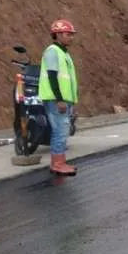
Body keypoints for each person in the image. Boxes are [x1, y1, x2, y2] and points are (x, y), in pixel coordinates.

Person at [38, 18, 79, 177]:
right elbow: (52, 77)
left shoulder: (63, 53)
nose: (71, 37)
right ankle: (58, 164)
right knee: (60, 131)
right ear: (58, 34)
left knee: (62, 131)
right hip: (56, 100)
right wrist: (60, 99)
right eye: (68, 34)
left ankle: (59, 161)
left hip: (63, 100)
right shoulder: (53, 51)